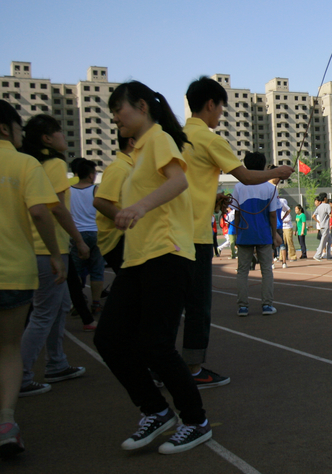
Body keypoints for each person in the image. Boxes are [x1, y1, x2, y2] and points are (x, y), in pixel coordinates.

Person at [93, 81, 211, 454]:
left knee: (155, 344)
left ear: (142, 107)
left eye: (119, 110)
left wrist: (140, 207)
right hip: (137, 259)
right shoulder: (134, 157)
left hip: (167, 253)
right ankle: (157, 410)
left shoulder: (158, 138)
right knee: (109, 338)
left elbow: (178, 181)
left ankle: (196, 421)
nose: (116, 118)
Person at [180, 76, 293, 389]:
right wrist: (277, 173)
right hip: (195, 237)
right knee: (197, 307)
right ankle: (192, 370)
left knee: (170, 305)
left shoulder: (174, 137)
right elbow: (243, 175)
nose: (220, 115)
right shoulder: (209, 139)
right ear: (211, 104)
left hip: (170, 234)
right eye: (220, 108)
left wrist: (214, 200)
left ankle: (159, 365)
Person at [0, 100, 65, 460]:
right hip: (10, 269)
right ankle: (5, 423)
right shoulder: (23, 163)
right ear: (5, 128)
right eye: (18, 127)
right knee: (6, 349)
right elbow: (40, 211)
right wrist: (54, 252)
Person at [19, 114, 89, 397]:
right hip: (50, 248)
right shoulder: (56, 165)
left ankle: (57, 362)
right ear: (47, 138)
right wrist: (78, 239)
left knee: (58, 306)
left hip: (37, 246)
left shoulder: (32, 164)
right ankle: (21, 374)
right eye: (59, 131)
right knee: (44, 313)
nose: (63, 136)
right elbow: (58, 208)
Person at [234, 152, 282, 316]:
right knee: (266, 270)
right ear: (263, 166)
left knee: (242, 271)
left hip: (245, 235)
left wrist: (237, 234)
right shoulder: (270, 188)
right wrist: (274, 234)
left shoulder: (239, 186)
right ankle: (267, 305)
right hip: (263, 235)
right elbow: (273, 215)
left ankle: (243, 307)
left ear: (246, 165)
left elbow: (237, 214)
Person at [69, 158, 107, 322]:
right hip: (95, 232)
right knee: (97, 269)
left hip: (77, 234)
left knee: (76, 271)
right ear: (91, 175)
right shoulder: (95, 190)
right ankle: (96, 303)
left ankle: (79, 301)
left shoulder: (68, 190)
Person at [93, 133, 134, 277]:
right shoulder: (120, 168)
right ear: (132, 142)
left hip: (124, 237)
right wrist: (128, 221)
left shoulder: (130, 167)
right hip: (118, 239)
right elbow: (100, 201)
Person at [312, 194, 332, 260]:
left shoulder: (319, 207)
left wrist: (318, 221)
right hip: (325, 226)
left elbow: (313, 216)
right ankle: (317, 255)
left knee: (329, 241)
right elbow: (330, 214)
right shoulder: (327, 206)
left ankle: (329, 255)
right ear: (325, 198)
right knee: (323, 241)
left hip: (321, 226)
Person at [280, 195, 294, 267]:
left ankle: (292, 256)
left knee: (289, 242)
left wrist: (282, 219)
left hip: (288, 227)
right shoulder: (280, 210)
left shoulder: (285, 210)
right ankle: (281, 257)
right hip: (281, 227)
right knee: (282, 242)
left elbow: (288, 219)